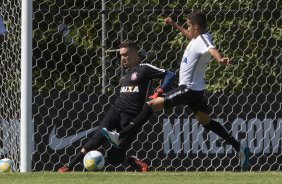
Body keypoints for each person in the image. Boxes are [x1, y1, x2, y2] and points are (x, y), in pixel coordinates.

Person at [101, 11, 250, 171]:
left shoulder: (204, 39)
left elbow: (211, 49)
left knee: (151, 105)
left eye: (188, 25)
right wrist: (175, 25)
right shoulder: (197, 38)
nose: (187, 28)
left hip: (188, 88)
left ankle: (120, 135)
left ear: (196, 27)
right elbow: (192, 37)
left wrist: (220, 59)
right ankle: (239, 147)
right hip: (195, 91)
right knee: (206, 122)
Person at [58, 40, 176, 172]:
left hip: (131, 117)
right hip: (116, 111)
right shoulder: (126, 73)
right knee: (96, 140)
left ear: (135, 53)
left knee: (114, 158)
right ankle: (69, 166)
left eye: (125, 54)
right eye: (121, 55)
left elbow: (170, 74)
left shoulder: (145, 68)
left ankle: (131, 160)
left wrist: (160, 90)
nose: (123, 58)